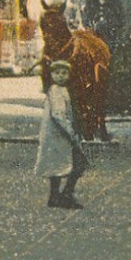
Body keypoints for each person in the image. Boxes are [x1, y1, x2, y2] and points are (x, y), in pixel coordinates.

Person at [35, 59, 86, 209]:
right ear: (51, 75)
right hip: (58, 135)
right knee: (77, 164)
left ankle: (56, 197)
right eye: (57, 73)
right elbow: (58, 115)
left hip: (57, 135)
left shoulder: (60, 90)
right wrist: (72, 133)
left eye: (64, 73)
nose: (61, 76)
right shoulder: (56, 91)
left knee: (57, 167)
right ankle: (65, 196)